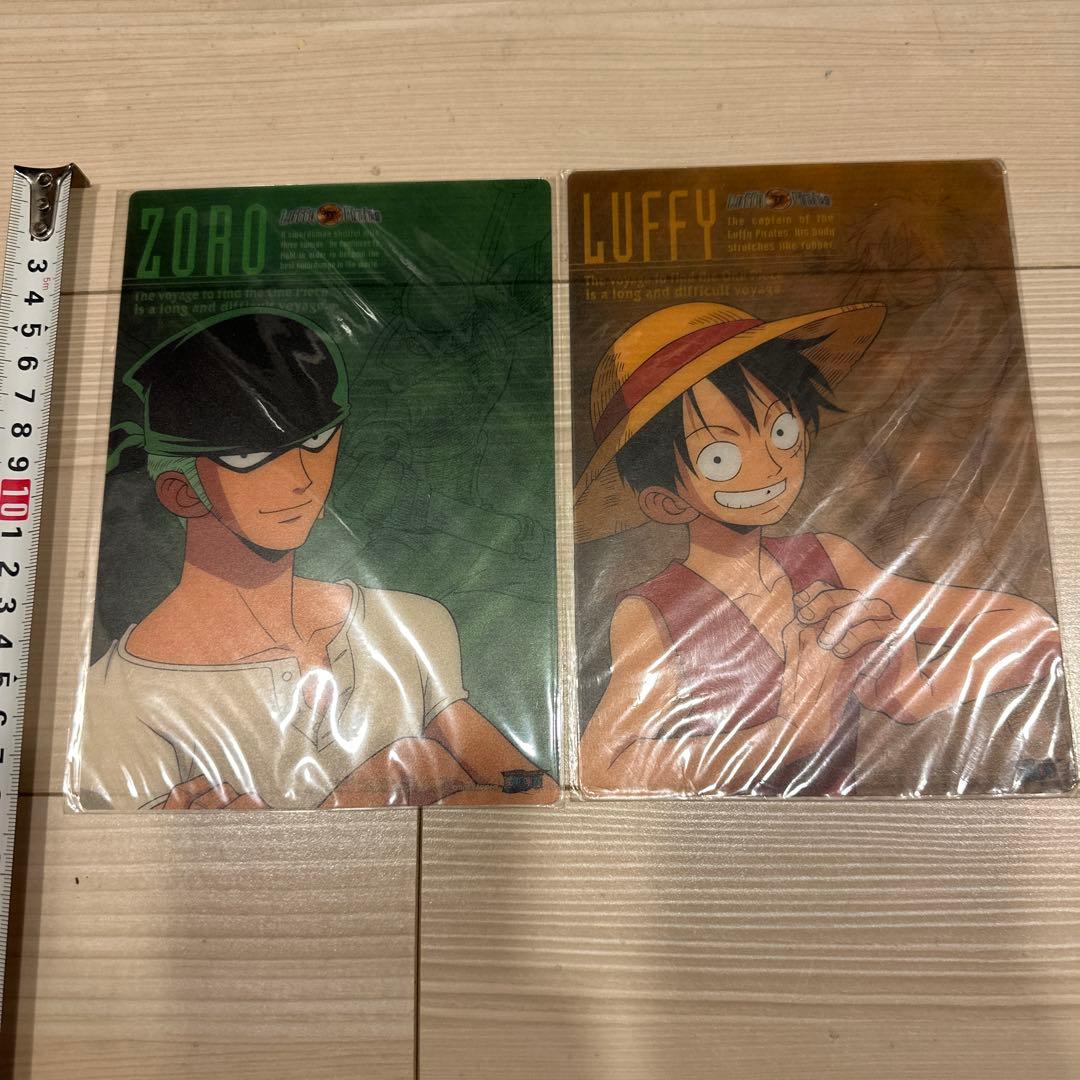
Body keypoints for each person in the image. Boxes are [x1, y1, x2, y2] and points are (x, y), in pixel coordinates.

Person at [574, 301, 1068, 796]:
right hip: (724, 839)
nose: (771, 466)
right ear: (666, 501)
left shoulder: (826, 560)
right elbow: (600, 771)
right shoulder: (654, 611)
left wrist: (915, 687)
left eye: (781, 430)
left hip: (852, 831)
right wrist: (790, 732)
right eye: (720, 457)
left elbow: (1036, 629)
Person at [71, 309, 554, 810]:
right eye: (249, 457)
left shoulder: (405, 626)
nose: (302, 477)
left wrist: (417, 782)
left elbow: (534, 787)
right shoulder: (117, 702)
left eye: (316, 441)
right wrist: (390, 790)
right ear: (182, 491)